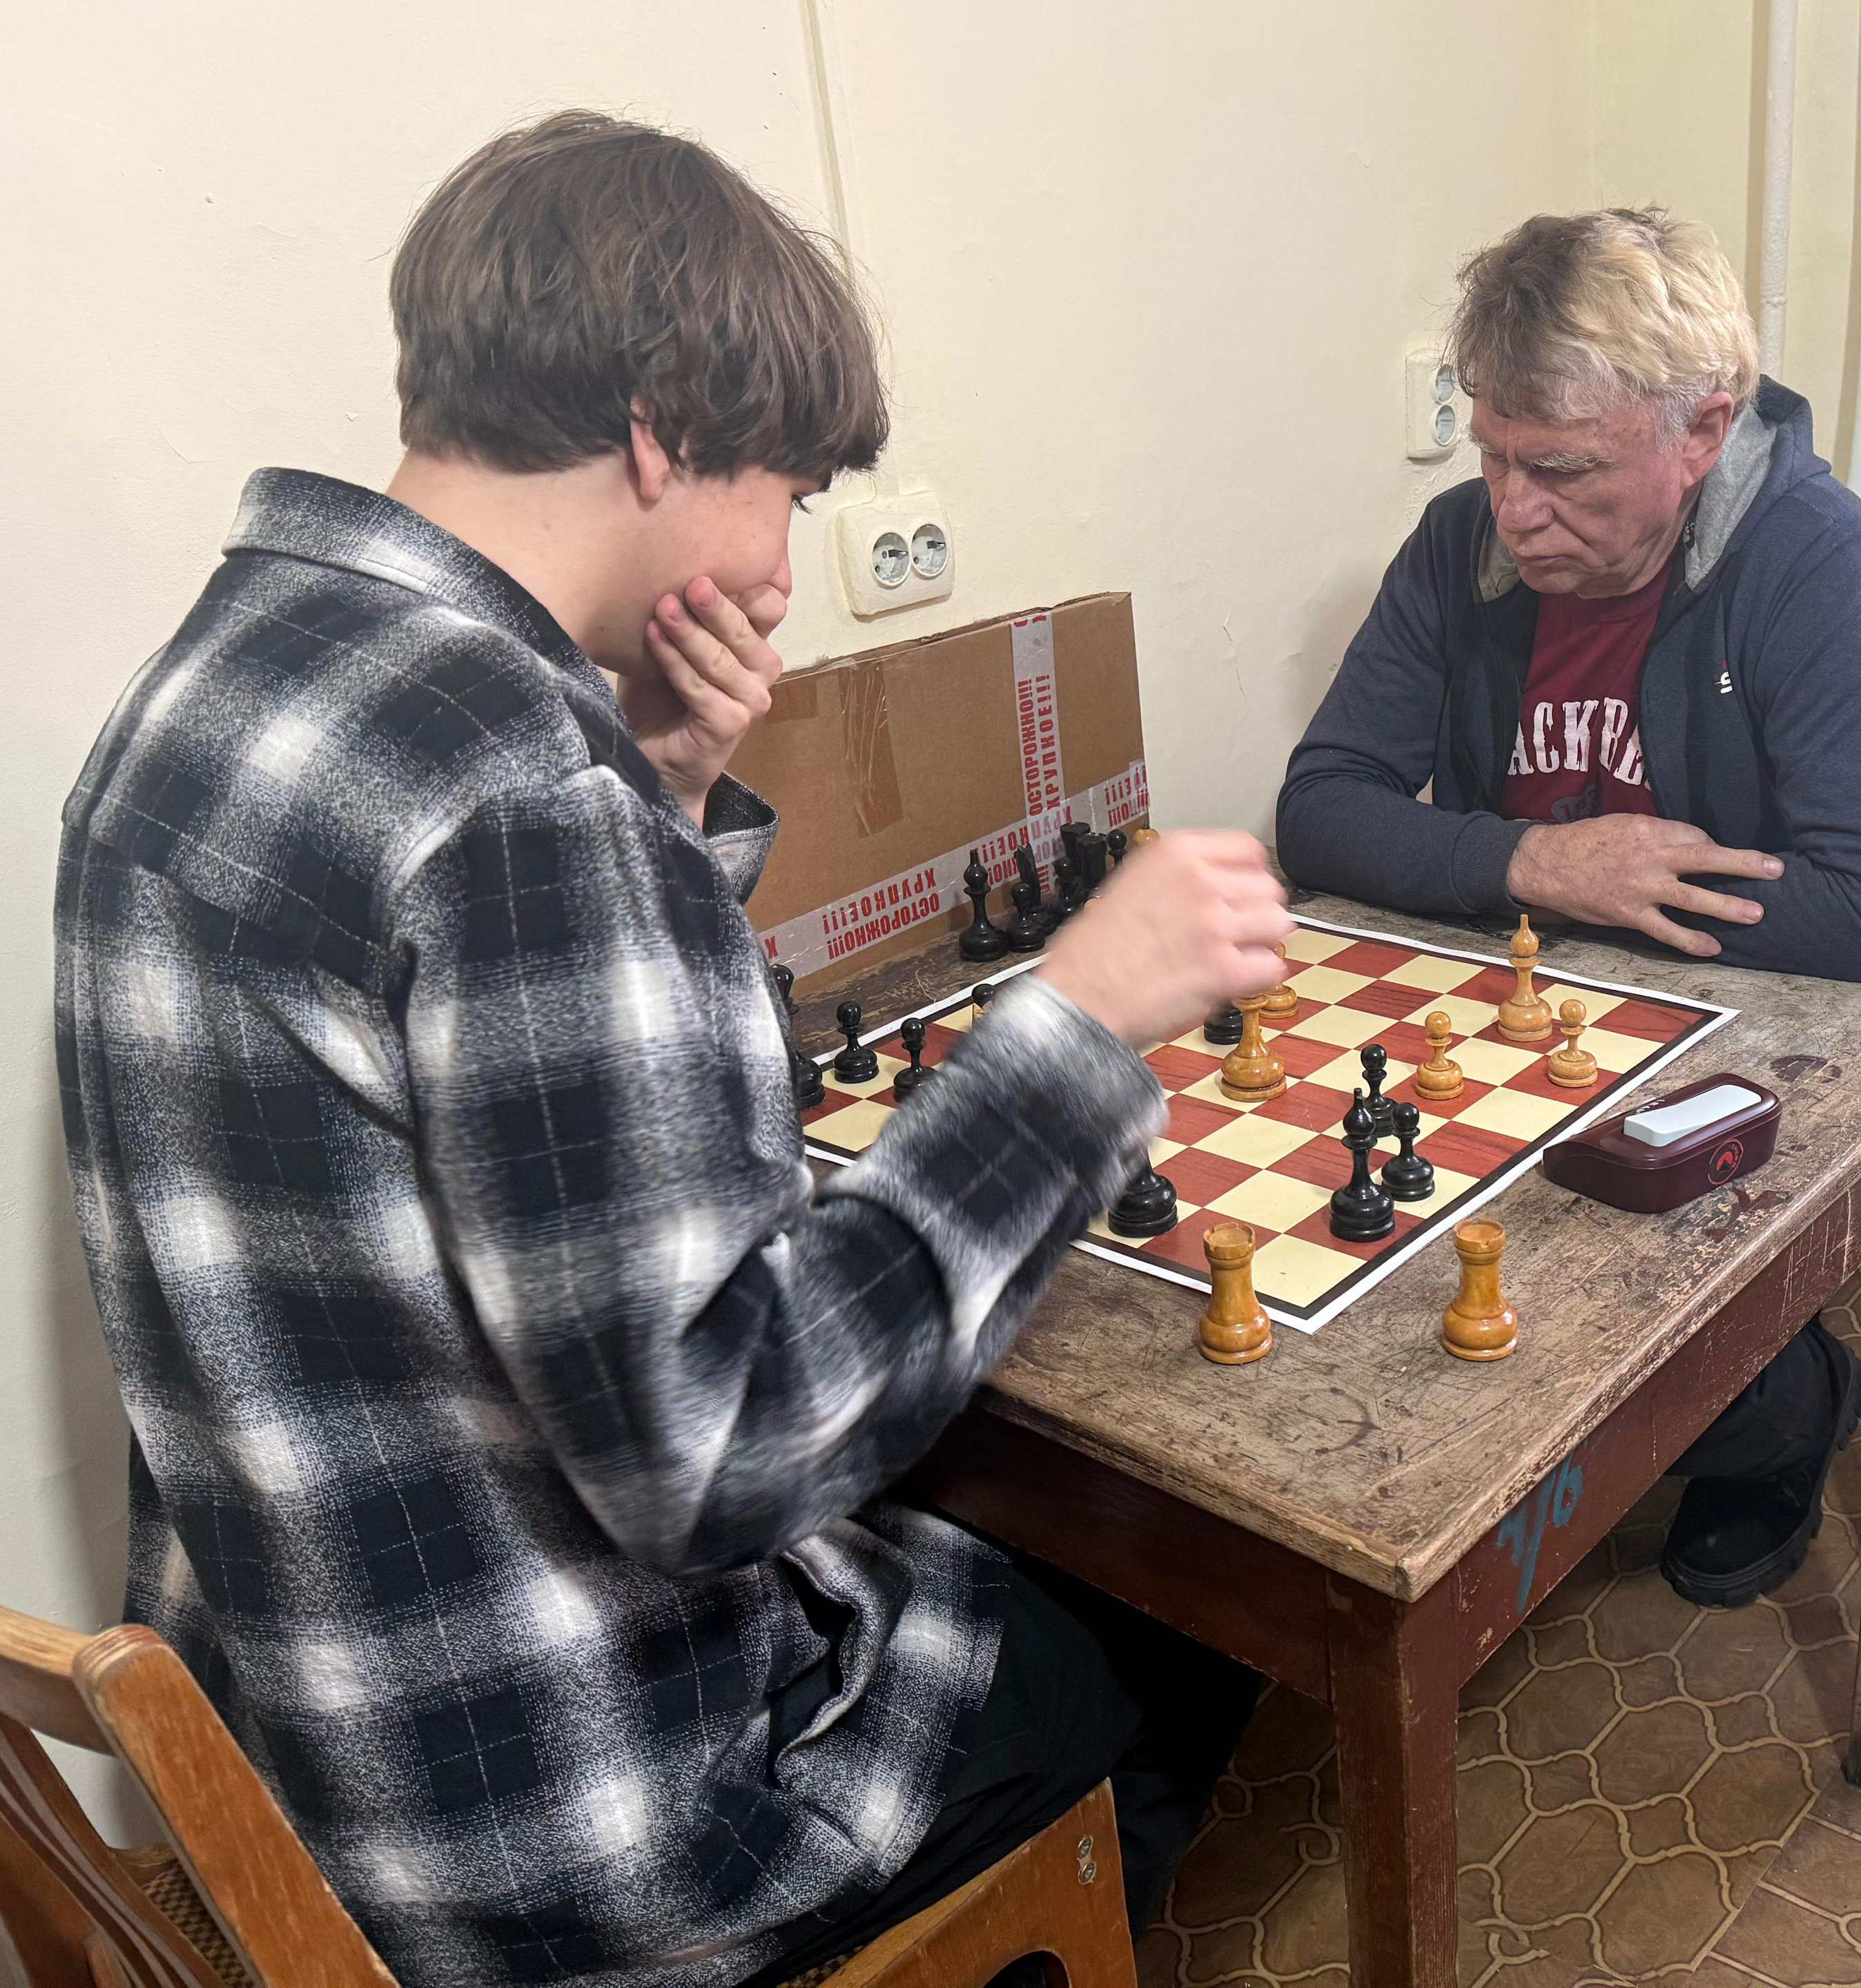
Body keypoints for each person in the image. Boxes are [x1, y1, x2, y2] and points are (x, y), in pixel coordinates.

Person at [55, 113, 1287, 1988]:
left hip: (306, 1764)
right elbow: (724, 1455)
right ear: (661, 425)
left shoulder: (210, 685)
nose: (782, 561)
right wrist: (1074, 1027)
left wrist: (669, 793)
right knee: (1176, 1621)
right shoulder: (524, 797)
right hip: (583, 1834)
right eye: (786, 490)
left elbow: (496, 1133)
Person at [1276, 208, 1861, 1609]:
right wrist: (1538, 864)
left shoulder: (1809, 555)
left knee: (1647, 1345)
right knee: (1348, 1231)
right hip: (1519, 1011)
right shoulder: (1458, 547)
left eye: (1563, 469)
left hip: (1737, 1028)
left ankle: (1794, 1407)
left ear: (1702, 428)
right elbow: (1323, 807)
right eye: (1492, 453)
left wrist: (1581, 893)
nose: (1513, 508)